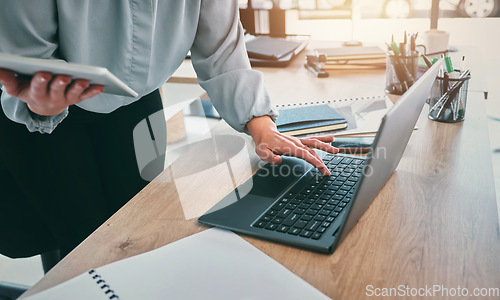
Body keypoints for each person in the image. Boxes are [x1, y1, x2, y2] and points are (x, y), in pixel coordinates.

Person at [0, 1, 338, 259]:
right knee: (83, 249)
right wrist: (43, 101)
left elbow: (220, 45)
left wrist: (261, 125)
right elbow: (28, 55)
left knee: (136, 237)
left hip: (134, 101)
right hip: (42, 114)